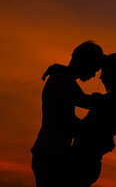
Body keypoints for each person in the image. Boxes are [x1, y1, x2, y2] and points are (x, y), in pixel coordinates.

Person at [43, 53, 116, 187]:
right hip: (86, 163)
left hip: (82, 164)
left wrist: (66, 72)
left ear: (115, 74)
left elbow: (80, 99)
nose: (101, 76)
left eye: (104, 72)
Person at [31, 41, 104, 187]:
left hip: (52, 152)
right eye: (94, 68)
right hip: (50, 154)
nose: (94, 74)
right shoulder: (61, 79)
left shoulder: (64, 78)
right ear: (85, 62)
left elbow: (82, 100)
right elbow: (68, 119)